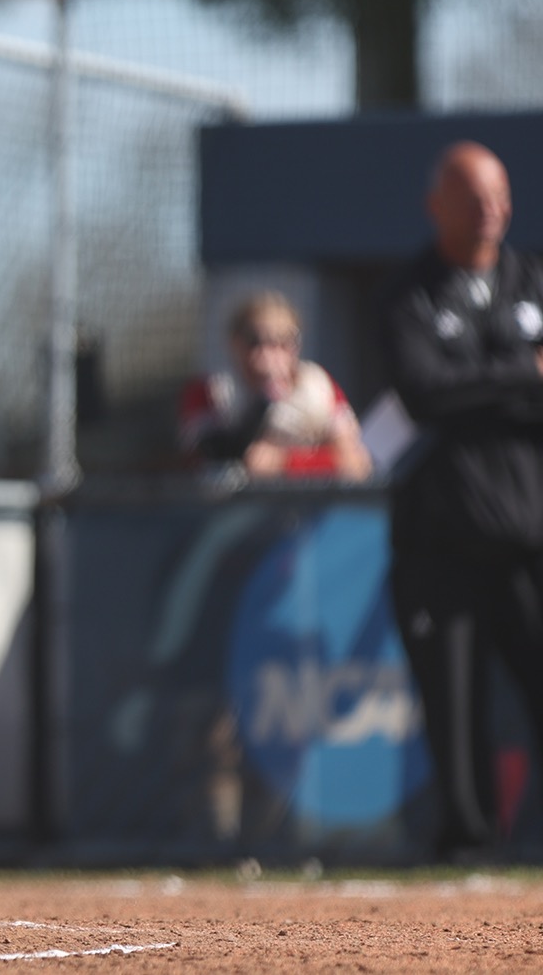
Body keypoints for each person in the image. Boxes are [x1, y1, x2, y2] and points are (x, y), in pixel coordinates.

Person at [379, 140, 543, 861]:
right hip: (438, 541)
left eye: (499, 196)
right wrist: (523, 375)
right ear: (435, 205)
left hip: (527, 537)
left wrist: (475, 384)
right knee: (453, 709)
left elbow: (454, 393)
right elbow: (422, 392)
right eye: (472, 196)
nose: (489, 210)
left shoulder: (530, 279)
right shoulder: (412, 290)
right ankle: (466, 845)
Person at [178, 290, 371, 482]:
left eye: (284, 341)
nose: (269, 353)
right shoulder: (210, 391)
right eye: (255, 341)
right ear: (235, 342)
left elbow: (355, 463)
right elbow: (203, 461)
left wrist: (286, 462)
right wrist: (263, 400)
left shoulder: (318, 387)